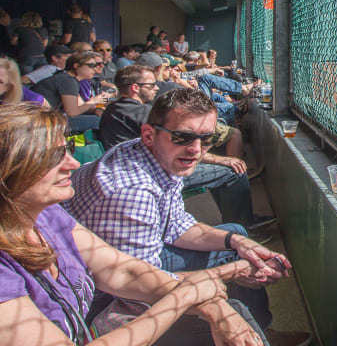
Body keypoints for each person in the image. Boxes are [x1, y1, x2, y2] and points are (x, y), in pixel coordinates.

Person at [0, 103, 269, 346]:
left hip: (89, 327)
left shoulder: (42, 213)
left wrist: (212, 304)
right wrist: (189, 295)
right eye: (51, 157)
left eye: (66, 150)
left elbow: (123, 271)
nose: (72, 163)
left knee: (231, 308)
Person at [66, 89, 311, 346]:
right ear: (149, 134)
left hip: (131, 260)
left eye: (206, 139)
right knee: (235, 316)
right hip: (100, 298)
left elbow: (176, 225)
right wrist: (230, 273)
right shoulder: (133, 193)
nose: (196, 150)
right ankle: (258, 334)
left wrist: (238, 242)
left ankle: (263, 328)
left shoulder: (154, 154)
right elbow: (140, 286)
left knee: (237, 235)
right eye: (183, 137)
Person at [97, 66, 256, 227]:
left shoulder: (112, 108)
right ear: (135, 88)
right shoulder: (142, 113)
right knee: (233, 172)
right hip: (149, 173)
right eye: (151, 85)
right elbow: (175, 150)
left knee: (220, 165)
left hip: (126, 167)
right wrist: (221, 160)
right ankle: (245, 226)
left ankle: (232, 220)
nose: (156, 88)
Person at [32, 51, 105, 132]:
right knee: (100, 121)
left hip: (46, 119)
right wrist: (93, 101)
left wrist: (96, 109)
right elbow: (72, 112)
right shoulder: (68, 80)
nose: (95, 68)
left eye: (96, 65)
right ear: (76, 65)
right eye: (91, 65)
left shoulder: (68, 78)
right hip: (40, 122)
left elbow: (80, 105)